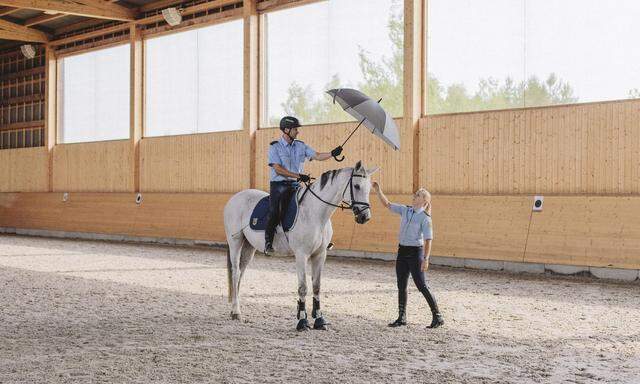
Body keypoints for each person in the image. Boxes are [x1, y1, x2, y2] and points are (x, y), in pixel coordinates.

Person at [265, 116, 343, 255]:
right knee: (275, 211)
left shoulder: (301, 145)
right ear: (287, 130)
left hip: (296, 184)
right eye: (295, 129)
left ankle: (320, 238)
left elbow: (317, 155)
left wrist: (332, 153)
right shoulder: (275, 147)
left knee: (313, 205)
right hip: (279, 185)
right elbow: (277, 169)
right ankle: (268, 242)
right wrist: (298, 176)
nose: (297, 132)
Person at [372, 181, 444, 328]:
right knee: (401, 285)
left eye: (418, 195)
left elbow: (428, 240)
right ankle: (402, 317)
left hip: (415, 253)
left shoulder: (425, 218)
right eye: (415, 194)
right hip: (402, 251)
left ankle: (437, 316)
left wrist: (426, 259)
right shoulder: (406, 210)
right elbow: (387, 204)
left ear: (424, 201)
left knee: (421, 285)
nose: (414, 196)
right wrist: (378, 190)